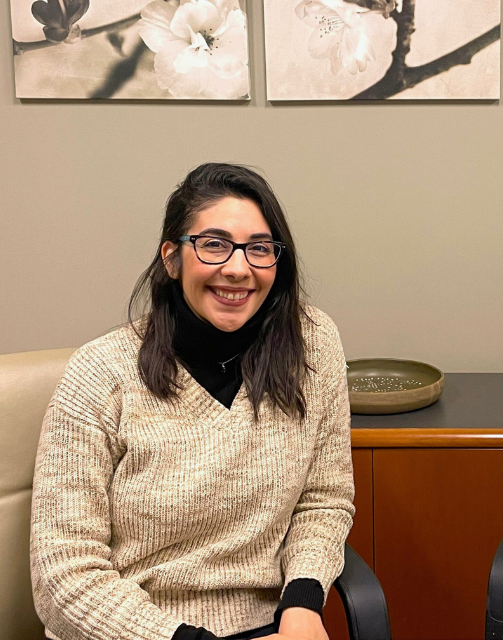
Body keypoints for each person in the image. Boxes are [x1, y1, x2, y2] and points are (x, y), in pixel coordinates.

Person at [31, 163, 353, 640]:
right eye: (214, 244)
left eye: (259, 248)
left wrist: (303, 601)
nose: (239, 268)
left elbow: (323, 501)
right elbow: (64, 579)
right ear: (172, 257)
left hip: (270, 627)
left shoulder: (311, 345)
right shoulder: (101, 373)